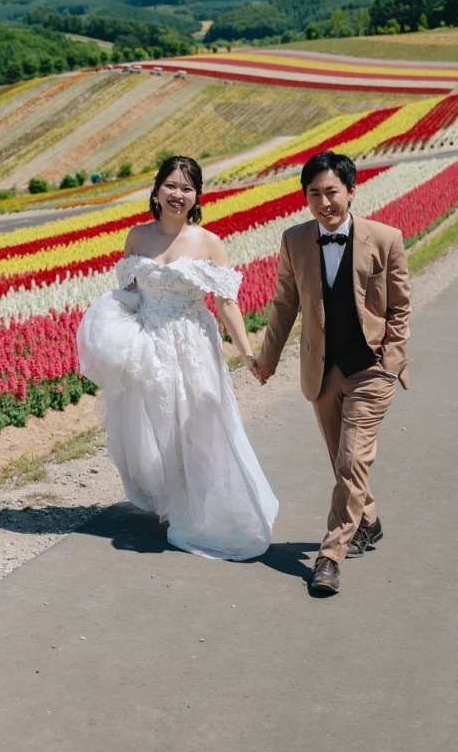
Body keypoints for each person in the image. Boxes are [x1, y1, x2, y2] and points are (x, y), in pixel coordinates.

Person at [76, 155, 277, 561]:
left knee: (200, 424)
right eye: (171, 185)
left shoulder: (208, 242)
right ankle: (180, 505)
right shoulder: (137, 238)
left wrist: (249, 352)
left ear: (197, 196)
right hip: (150, 345)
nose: (178, 194)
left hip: (194, 345)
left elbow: (226, 303)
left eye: (187, 188)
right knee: (163, 423)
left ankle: (206, 510)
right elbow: (128, 295)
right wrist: (111, 338)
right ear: (156, 189)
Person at [257, 150, 411, 596]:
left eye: (331, 193)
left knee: (351, 459)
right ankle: (369, 520)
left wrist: (392, 362)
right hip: (322, 370)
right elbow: (285, 303)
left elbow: (400, 305)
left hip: (370, 369)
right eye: (314, 194)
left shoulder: (386, 238)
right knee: (341, 461)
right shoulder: (294, 240)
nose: (324, 203)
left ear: (351, 191)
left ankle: (330, 556)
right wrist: (267, 360)